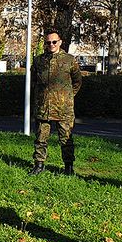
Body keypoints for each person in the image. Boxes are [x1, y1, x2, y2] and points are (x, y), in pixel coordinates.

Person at [30, 29, 82, 175]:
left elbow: (77, 81)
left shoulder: (69, 60)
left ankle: (68, 167)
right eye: (48, 42)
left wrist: (68, 96)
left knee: (66, 139)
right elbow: (33, 81)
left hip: (63, 108)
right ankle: (39, 165)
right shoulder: (39, 60)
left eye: (54, 42)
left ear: (60, 42)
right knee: (40, 138)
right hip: (43, 107)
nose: (51, 44)